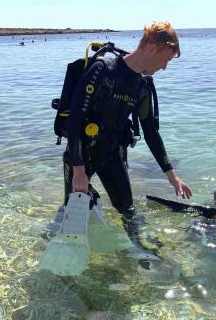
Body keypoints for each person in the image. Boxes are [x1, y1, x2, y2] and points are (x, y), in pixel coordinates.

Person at [63, 22, 192, 241]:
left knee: (128, 211)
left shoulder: (142, 88)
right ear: (152, 48)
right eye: (166, 59)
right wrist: (78, 171)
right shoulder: (102, 70)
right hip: (80, 155)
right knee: (74, 213)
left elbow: (151, 133)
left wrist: (172, 176)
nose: (164, 67)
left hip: (113, 155)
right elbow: (75, 120)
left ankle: (138, 252)